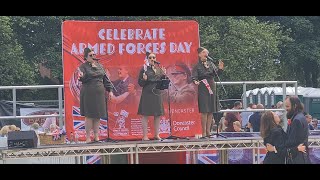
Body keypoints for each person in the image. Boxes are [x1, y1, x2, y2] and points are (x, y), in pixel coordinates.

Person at [78, 47, 113, 143]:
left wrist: (110, 90)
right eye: (91, 55)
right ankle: (88, 137)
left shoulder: (100, 66)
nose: (93, 56)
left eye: (94, 55)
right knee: (89, 115)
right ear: (86, 57)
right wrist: (81, 77)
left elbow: (106, 79)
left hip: (100, 93)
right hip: (89, 92)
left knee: (98, 115)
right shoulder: (83, 66)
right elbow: (83, 78)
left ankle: (96, 136)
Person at [266, 96, 311, 164]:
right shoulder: (299, 117)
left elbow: (290, 141)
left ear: (295, 106)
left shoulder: (296, 120)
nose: (286, 109)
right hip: (299, 156)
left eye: (287, 106)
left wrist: (275, 148)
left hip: (297, 158)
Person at [192, 47, 224, 138]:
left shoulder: (211, 63)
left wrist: (220, 69)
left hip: (212, 86)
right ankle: (203, 132)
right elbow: (194, 77)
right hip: (203, 87)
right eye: (204, 52)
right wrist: (195, 81)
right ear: (199, 54)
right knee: (204, 110)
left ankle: (208, 131)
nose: (206, 54)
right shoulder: (197, 66)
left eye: (207, 53)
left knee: (211, 110)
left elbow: (216, 74)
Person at [137, 52, 166, 141]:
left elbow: (163, 82)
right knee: (145, 114)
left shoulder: (159, 69)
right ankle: (145, 136)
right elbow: (140, 83)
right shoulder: (144, 69)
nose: (152, 59)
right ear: (147, 59)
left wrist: (164, 75)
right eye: (150, 58)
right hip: (147, 93)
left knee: (157, 114)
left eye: (154, 57)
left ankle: (156, 135)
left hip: (157, 93)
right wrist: (144, 79)